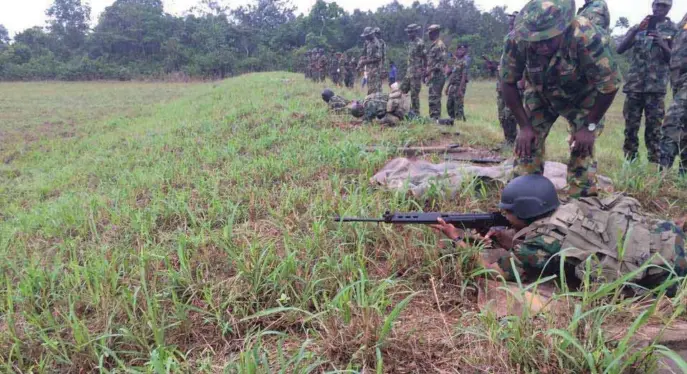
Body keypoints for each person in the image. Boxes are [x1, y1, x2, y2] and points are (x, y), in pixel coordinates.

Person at [431, 175, 687, 296]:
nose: (504, 217)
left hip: (667, 272)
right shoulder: (569, 208)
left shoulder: (540, 243)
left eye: (508, 213)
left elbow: (491, 271)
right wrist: (503, 238)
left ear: (525, 210)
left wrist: (456, 239)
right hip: (666, 237)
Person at [500, 0, 621, 198]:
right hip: (540, 93)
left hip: (584, 98)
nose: (542, 45)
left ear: (563, 29)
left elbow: (610, 85)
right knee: (527, 146)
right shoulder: (517, 40)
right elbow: (508, 82)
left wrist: (588, 127)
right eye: (537, 40)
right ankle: (524, 200)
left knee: (582, 152)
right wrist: (525, 127)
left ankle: (581, 205)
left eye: (549, 39)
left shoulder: (586, 36)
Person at [617, 0, 677, 163]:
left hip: (655, 89)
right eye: (656, 5)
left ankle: (654, 163)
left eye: (663, 6)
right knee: (630, 127)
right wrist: (636, 30)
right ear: (652, 6)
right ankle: (630, 161)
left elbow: (675, 59)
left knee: (654, 130)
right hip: (634, 86)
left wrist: (663, 44)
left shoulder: (673, 30)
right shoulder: (639, 27)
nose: (659, 8)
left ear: (669, 8)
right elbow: (620, 49)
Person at [659, 11, 687, 175]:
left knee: (672, 121)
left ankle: (662, 174)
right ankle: (684, 177)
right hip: (677, 79)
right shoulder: (684, 19)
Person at [497, 12, 521, 146]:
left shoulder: (520, 38)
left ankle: (512, 141)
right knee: (502, 113)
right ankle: (508, 140)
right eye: (509, 23)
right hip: (502, 81)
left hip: (514, 82)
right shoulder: (509, 38)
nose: (510, 25)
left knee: (509, 113)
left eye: (512, 22)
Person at [401, 24, 427, 115]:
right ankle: (402, 110)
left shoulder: (420, 43)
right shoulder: (410, 43)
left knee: (414, 95)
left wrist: (424, 70)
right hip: (409, 73)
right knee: (402, 91)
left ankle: (416, 114)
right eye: (408, 32)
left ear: (415, 32)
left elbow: (425, 57)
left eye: (410, 32)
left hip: (416, 73)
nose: (409, 34)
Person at [426, 24, 447, 120]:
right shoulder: (434, 45)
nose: (428, 35)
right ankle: (433, 117)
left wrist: (430, 70)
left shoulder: (440, 45)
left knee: (435, 97)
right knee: (432, 97)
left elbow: (442, 62)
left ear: (435, 33)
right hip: (433, 76)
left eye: (430, 33)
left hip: (438, 76)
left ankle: (435, 118)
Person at [445, 43, 469, 122]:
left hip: (459, 86)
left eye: (462, 50)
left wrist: (460, 90)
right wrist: (447, 87)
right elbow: (452, 75)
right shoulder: (456, 62)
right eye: (459, 50)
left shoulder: (464, 62)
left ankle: (460, 121)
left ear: (465, 52)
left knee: (458, 105)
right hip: (453, 86)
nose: (460, 52)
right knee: (449, 104)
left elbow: (464, 77)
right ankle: (452, 119)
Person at [359, 27, 383, 94]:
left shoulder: (376, 43)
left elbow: (378, 58)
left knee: (375, 90)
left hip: (375, 71)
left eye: (366, 36)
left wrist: (365, 62)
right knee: (370, 89)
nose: (365, 38)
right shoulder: (368, 42)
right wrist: (363, 58)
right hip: (370, 70)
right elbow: (369, 55)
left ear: (371, 34)